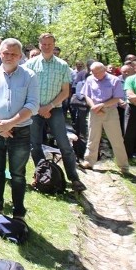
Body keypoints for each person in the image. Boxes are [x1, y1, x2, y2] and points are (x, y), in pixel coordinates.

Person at [0, 38, 38, 219]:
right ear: (0, 53)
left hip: (20, 131)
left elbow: (33, 105)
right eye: (5, 53)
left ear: (20, 56)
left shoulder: (30, 76)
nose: (9, 56)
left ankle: (18, 212)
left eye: (13, 54)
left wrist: (10, 123)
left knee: (18, 174)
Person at [25, 33, 85, 192]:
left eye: (49, 44)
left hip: (55, 109)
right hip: (34, 109)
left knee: (65, 145)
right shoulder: (29, 65)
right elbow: (25, 89)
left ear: (54, 45)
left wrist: (49, 107)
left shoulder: (62, 66)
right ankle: (43, 175)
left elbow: (66, 92)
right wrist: (38, 107)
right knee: (34, 145)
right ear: (39, 45)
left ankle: (74, 178)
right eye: (43, 44)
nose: (46, 47)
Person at [81, 62, 130, 173]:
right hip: (94, 111)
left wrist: (102, 105)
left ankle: (123, 166)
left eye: (97, 72)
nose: (94, 74)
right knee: (92, 138)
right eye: (92, 72)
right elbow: (86, 94)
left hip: (110, 111)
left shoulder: (114, 80)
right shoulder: (90, 79)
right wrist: (94, 107)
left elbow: (117, 98)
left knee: (116, 139)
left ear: (104, 70)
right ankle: (89, 161)